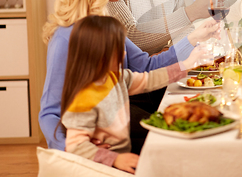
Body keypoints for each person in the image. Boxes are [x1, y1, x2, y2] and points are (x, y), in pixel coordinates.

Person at [39, 0, 217, 153]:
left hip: (113, 125)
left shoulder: (106, 27)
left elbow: (146, 66)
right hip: (91, 141)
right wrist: (77, 153)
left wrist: (194, 38)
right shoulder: (64, 37)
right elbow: (50, 113)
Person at [61, 15, 198, 174]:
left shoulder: (116, 77)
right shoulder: (84, 99)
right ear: (99, 52)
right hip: (104, 167)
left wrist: (185, 66)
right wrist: (114, 159)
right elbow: (75, 146)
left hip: (121, 151)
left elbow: (149, 79)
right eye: (118, 48)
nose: (124, 54)